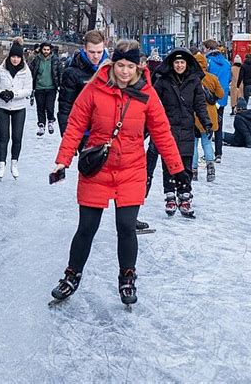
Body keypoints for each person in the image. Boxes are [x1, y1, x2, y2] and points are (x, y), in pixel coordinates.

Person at [49, 40, 186, 305]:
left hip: (131, 168)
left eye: (130, 66)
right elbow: (76, 126)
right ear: (112, 65)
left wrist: (177, 169)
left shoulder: (147, 93)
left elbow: (162, 132)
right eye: (120, 65)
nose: (124, 71)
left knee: (126, 227)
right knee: (87, 227)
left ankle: (127, 277)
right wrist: (62, 160)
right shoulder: (94, 89)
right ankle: (71, 276)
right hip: (97, 167)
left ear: (138, 67)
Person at [147, 48, 212, 217]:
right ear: (172, 64)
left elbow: (200, 104)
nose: (179, 65)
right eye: (176, 62)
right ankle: (170, 195)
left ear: (187, 64)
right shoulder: (163, 81)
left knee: (186, 163)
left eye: (182, 62)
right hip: (167, 128)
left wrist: (206, 122)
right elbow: (152, 103)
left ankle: (184, 195)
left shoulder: (194, 81)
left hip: (187, 127)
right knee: (169, 163)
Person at [0, 42, 32, 179]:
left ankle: (14, 164)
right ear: (9, 57)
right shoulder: (1, 70)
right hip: (2, 106)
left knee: (17, 137)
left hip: (19, 107)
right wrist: (0, 93)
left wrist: (15, 94)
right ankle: (1, 165)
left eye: (18, 57)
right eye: (13, 56)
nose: (15, 59)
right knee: (4, 138)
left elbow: (28, 89)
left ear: (21, 58)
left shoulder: (26, 71)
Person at [57, 30, 107, 137]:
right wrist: (66, 133)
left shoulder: (111, 69)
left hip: (107, 130)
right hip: (84, 131)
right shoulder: (72, 73)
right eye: (92, 52)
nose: (96, 56)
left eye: (99, 52)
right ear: (85, 49)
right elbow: (65, 105)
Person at [192, 52, 224, 181]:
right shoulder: (212, 78)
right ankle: (210, 165)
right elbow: (221, 94)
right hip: (209, 114)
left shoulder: (191, 78)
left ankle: (193, 170)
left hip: (194, 114)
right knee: (207, 142)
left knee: (193, 143)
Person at [203, 40, 231, 163]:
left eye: (204, 48)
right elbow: (229, 79)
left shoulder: (208, 62)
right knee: (218, 125)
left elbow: (206, 79)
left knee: (207, 125)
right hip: (222, 98)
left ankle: (208, 153)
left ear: (208, 48)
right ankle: (218, 153)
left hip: (209, 98)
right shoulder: (226, 63)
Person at [30, 42, 62, 136]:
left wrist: (60, 85)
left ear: (50, 50)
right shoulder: (37, 59)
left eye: (48, 50)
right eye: (44, 49)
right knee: (40, 107)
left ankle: (50, 122)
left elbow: (59, 72)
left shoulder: (55, 60)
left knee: (49, 106)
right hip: (39, 87)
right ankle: (41, 125)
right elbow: (31, 71)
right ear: (41, 49)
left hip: (51, 87)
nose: (46, 51)